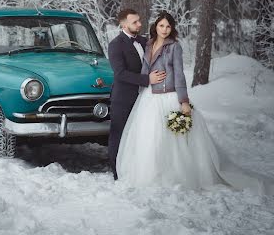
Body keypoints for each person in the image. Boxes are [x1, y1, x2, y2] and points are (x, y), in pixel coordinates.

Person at [116, 11, 274, 194]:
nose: (165, 29)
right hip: (149, 97)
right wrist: (142, 88)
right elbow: (145, 69)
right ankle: (152, 173)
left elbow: (179, 75)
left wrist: (183, 101)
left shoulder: (174, 47)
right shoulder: (149, 43)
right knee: (150, 137)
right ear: (155, 27)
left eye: (168, 26)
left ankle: (174, 175)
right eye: (161, 26)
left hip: (169, 96)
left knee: (173, 140)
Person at [107, 9, 166, 180]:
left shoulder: (144, 41)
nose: (140, 24)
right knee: (119, 134)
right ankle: (117, 172)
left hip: (145, 98)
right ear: (123, 24)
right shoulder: (115, 45)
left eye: (139, 21)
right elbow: (120, 73)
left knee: (139, 134)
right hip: (123, 98)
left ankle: (134, 169)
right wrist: (147, 79)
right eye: (135, 22)